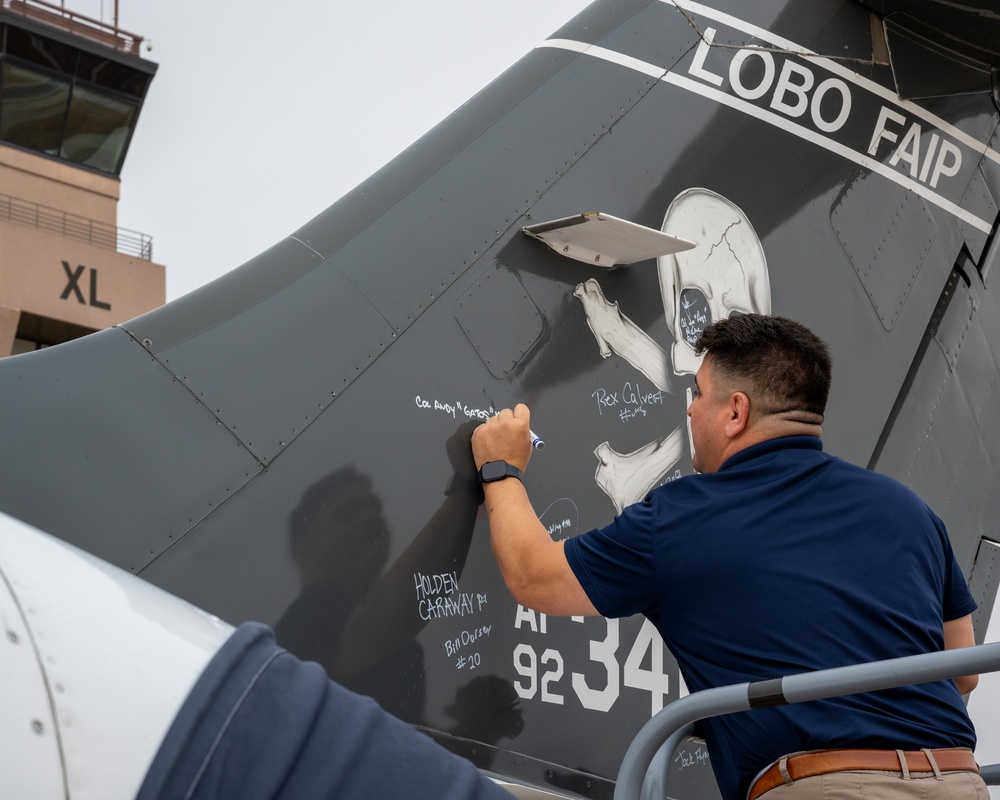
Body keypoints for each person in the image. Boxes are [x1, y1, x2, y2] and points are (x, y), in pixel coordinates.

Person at [470, 314, 986, 800]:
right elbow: (961, 670)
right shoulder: (909, 510)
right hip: (961, 782)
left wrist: (501, 467)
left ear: (736, 412)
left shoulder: (681, 518)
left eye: (699, 392)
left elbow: (534, 576)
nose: (690, 407)